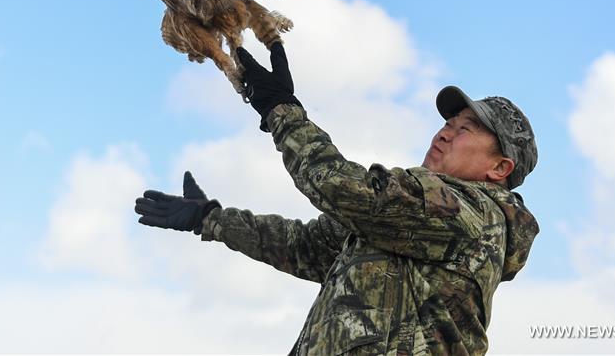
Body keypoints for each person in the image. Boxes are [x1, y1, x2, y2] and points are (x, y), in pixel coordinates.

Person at [134, 43, 539, 355]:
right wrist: (209, 218)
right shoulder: (410, 222)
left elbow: (342, 189)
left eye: (465, 128)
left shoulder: (473, 213)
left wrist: (281, 110)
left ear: (500, 169)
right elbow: (306, 246)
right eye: (448, 123)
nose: (445, 132)